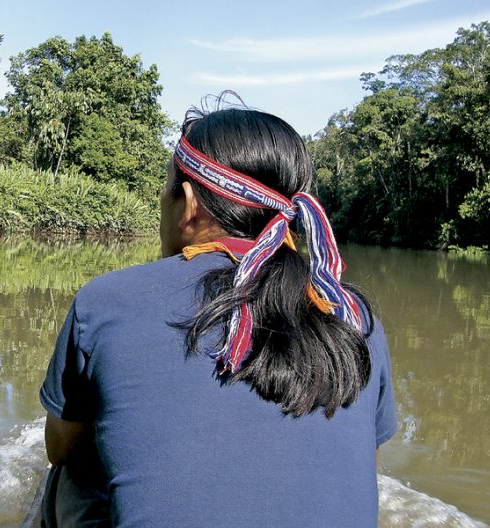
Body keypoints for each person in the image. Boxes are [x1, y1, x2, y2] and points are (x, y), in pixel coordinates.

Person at [39, 94, 398, 527]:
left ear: (188, 203)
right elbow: (366, 457)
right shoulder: (353, 315)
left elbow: (60, 448)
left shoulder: (106, 300)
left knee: (71, 470)